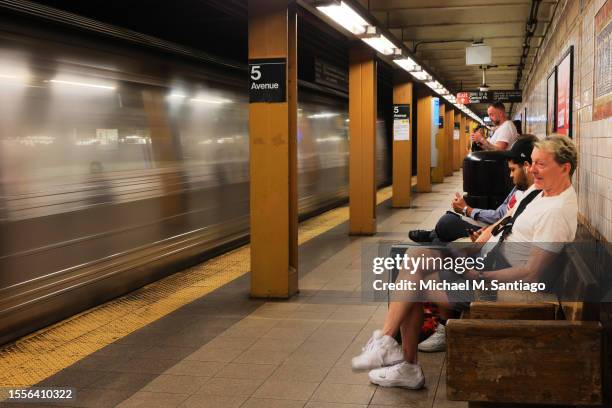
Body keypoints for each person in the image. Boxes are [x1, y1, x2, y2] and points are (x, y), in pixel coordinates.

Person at [352, 135, 578, 389]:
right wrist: (479, 242)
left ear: (564, 167)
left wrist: (479, 276)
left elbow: (532, 273)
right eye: (532, 163)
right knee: (413, 259)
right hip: (488, 261)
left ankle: (402, 359)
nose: (532, 169)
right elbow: (507, 221)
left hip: (498, 284)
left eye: (541, 164)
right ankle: (390, 347)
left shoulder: (556, 212)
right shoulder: (541, 191)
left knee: (410, 282)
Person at [409, 135, 538, 245]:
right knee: (446, 223)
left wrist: (467, 210)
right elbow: (500, 213)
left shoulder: (531, 196)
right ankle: (434, 237)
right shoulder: (518, 188)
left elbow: (500, 218)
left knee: (446, 223)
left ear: (527, 166)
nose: (510, 175)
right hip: (492, 229)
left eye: (513, 170)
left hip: (496, 234)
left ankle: (433, 237)